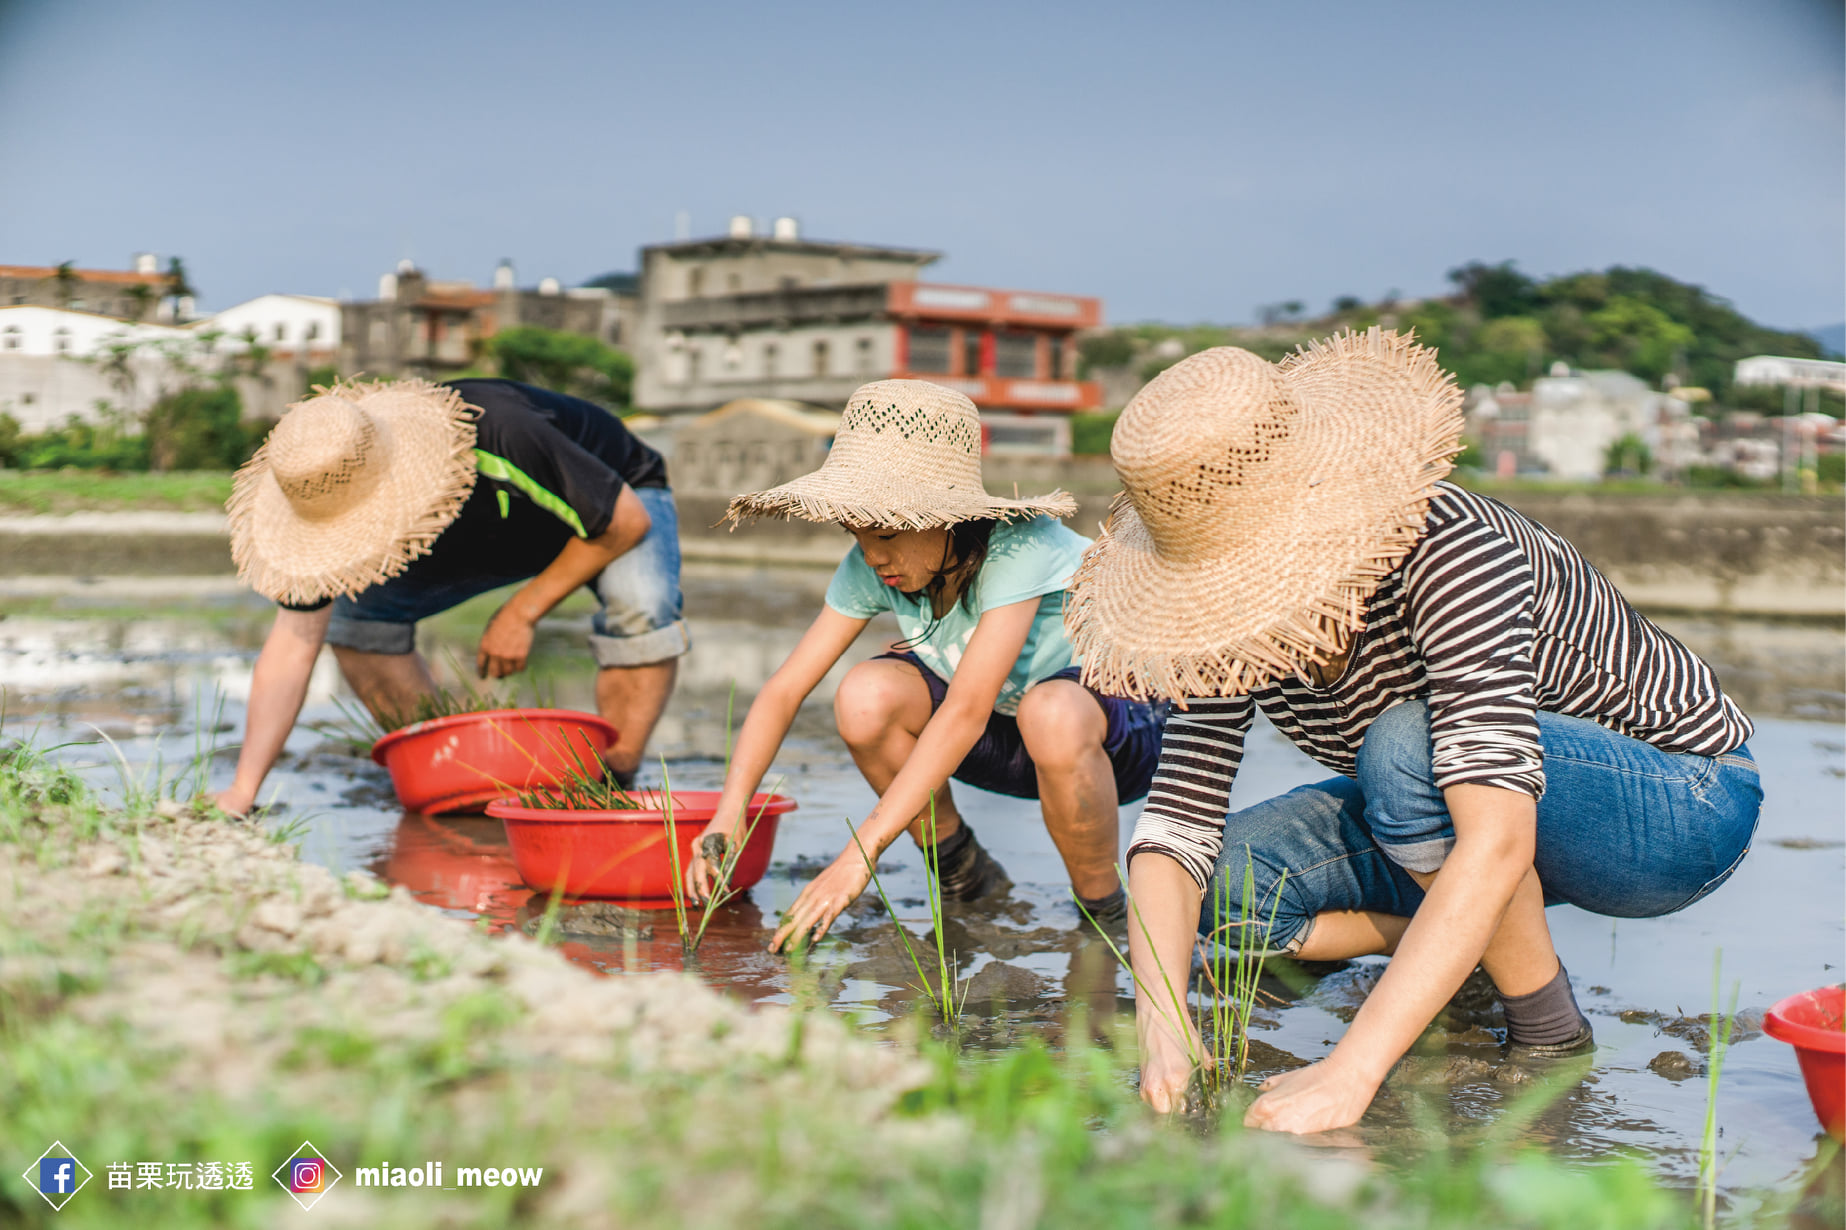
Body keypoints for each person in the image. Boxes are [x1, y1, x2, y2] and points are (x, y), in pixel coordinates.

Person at [1063, 331, 1761, 1133]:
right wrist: (1164, 1028)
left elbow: (1497, 837)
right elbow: (1178, 823)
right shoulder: (1225, 622)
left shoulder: (1453, 551)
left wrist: (1352, 1070)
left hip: (1677, 803)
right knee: (1235, 879)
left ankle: (1549, 1029)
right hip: (1464, 804)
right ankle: (1461, 952)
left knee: (1401, 747)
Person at [687, 379, 1166, 949]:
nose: (874, 556)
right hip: (1002, 737)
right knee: (865, 695)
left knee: (1051, 709)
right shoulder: (873, 563)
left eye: (888, 533)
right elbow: (785, 689)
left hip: (1114, 739)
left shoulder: (1020, 548)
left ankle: (1104, 914)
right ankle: (966, 874)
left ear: (950, 518)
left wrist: (857, 859)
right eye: (857, 533)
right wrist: (728, 813)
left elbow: (964, 710)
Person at [211, 376, 688, 816]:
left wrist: (521, 612)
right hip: (480, 530)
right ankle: (456, 775)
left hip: (609, 501)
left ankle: (612, 780)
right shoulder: (320, 494)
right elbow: (291, 649)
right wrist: (243, 791)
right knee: (356, 623)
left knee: (643, 604)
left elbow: (625, 522)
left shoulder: (501, 432)